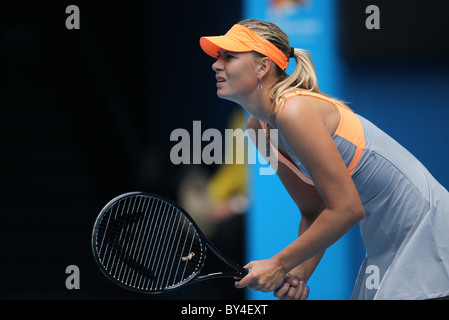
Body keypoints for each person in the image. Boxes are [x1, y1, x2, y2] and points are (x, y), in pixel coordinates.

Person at [199, 19, 449, 300]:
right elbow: (314, 209)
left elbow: (346, 209)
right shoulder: (257, 129)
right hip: (387, 241)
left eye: (229, 56)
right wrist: (298, 273)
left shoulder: (294, 111)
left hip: (430, 231)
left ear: (263, 67)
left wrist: (279, 264)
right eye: (218, 56)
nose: (216, 64)